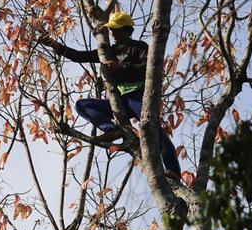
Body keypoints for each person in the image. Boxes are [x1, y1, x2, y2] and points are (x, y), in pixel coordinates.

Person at [38, 12, 181, 176]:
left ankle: (174, 172)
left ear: (127, 31)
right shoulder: (109, 51)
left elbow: (150, 68)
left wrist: (123, 68)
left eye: (116, 30)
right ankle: (113, 130)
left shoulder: (139, 47)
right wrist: (53, 44)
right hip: (119, 101)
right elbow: (79, 56)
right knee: (82, 105)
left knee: (153, 129)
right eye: (111, 30)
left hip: (136, 96)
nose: (112, 33)